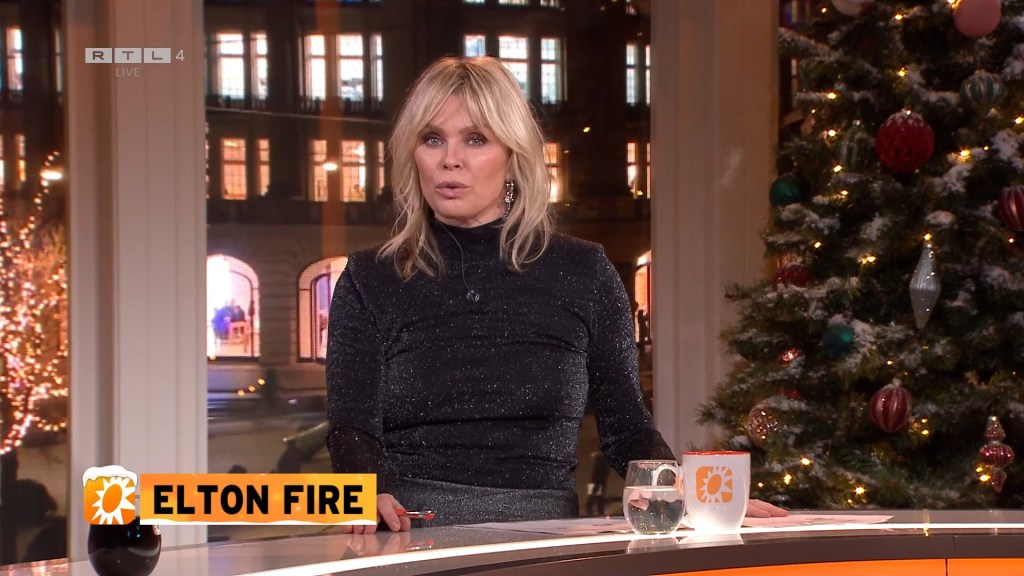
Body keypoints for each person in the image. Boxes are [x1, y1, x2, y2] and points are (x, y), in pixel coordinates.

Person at [326, 56, 786, 533]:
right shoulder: (369, 278)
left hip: (545, 538)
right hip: (409, 535)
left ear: (513, 156)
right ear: (413, 154)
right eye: (432, 138)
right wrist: (361, 495)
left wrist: (686, 490)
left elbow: (626, 426)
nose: (450, 159)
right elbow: (350, 428)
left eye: (476, 139)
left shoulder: (584, 271)